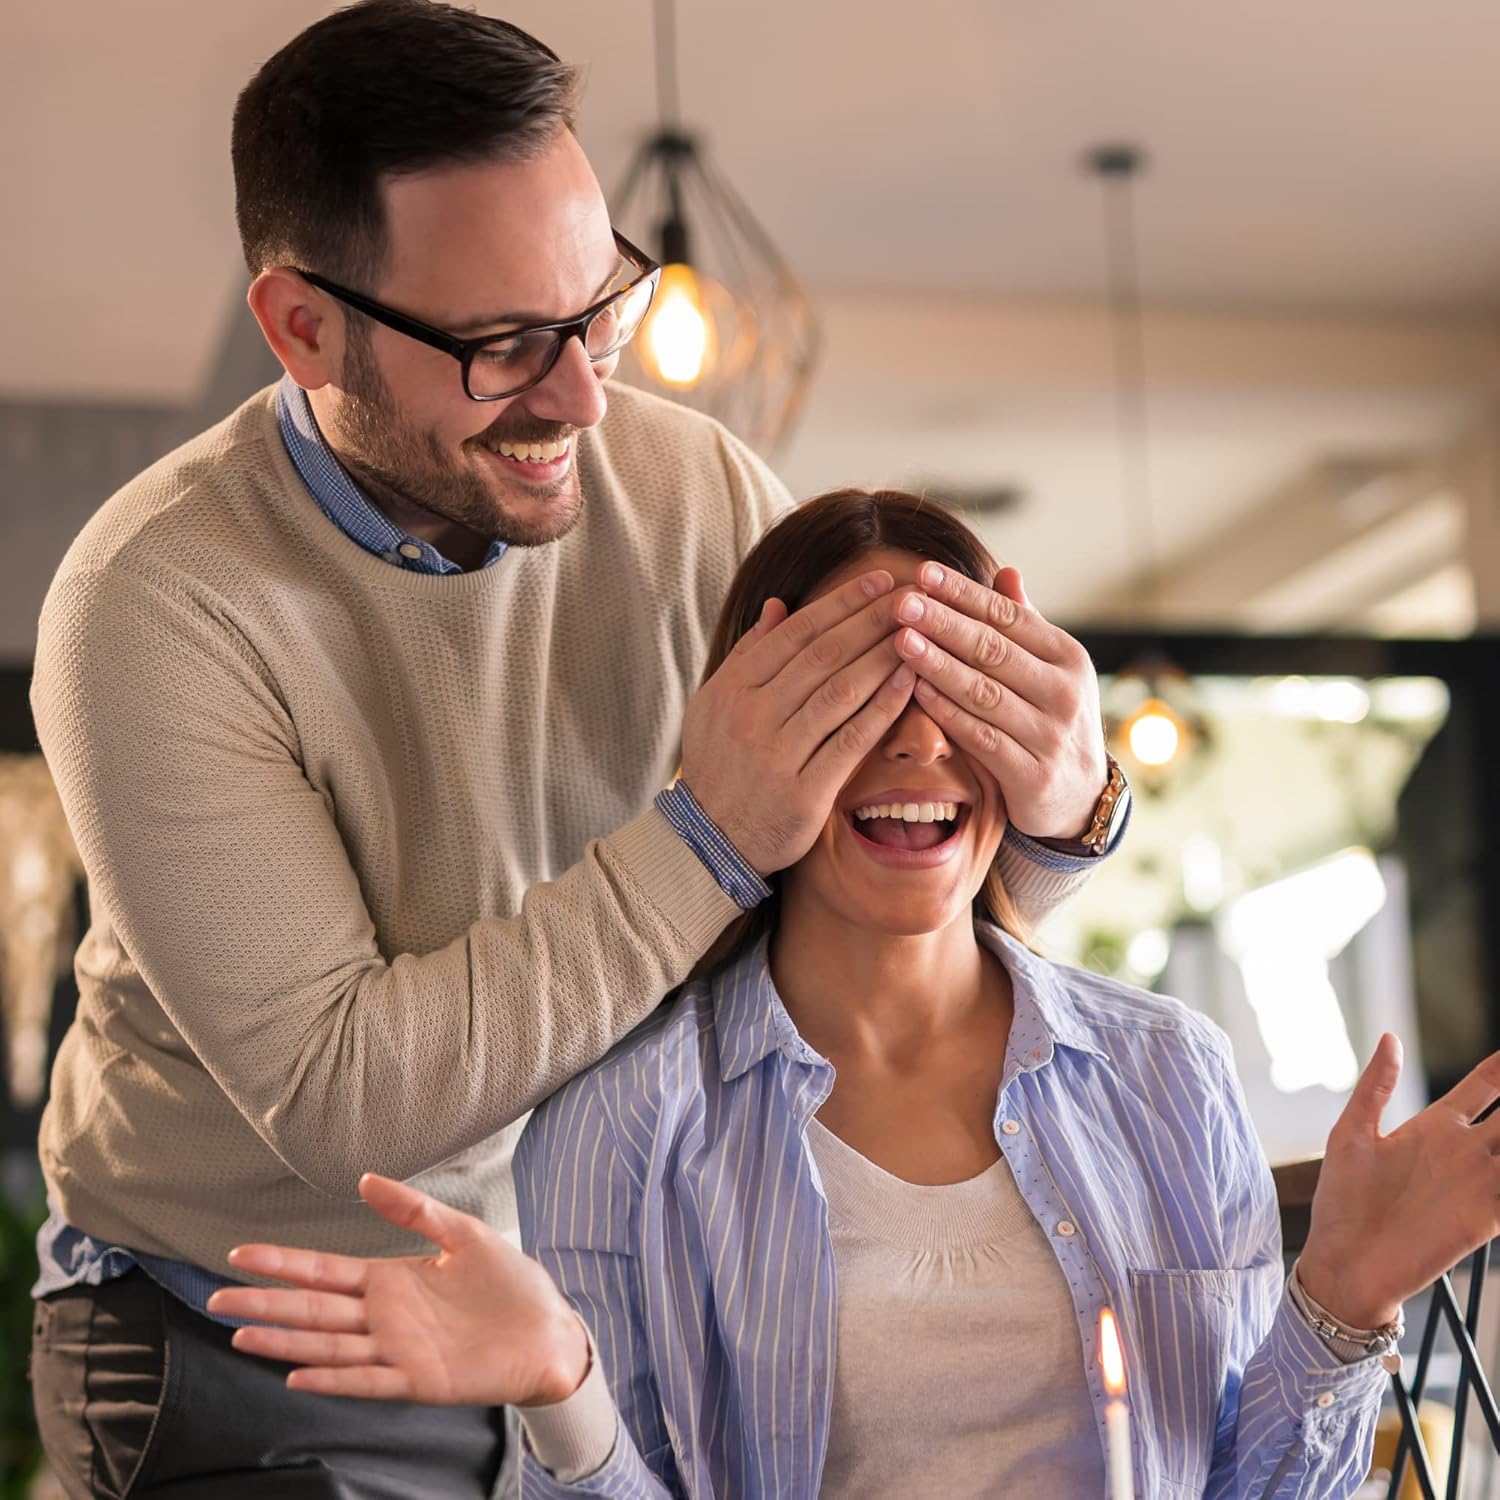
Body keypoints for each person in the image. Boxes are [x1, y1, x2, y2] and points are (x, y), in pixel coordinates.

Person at [26, 6, 1128, 1497]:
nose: (583, 396)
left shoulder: (689, 495)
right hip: (257, 1327)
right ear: (301, 326)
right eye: (499, 346)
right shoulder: (152, 603)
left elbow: (856, 927)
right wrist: (708, 840)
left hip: (597, 1296)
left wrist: (1063, 813)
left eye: (598, 302)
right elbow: (349, 1103)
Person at [211, 489, 1500, 1499]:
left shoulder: (1169, 1073)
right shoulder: (627, 1118)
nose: (918, 742)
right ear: (751, 735)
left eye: (953, 688)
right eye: (852, 695)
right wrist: (563, 1387)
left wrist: (1342, 1300)